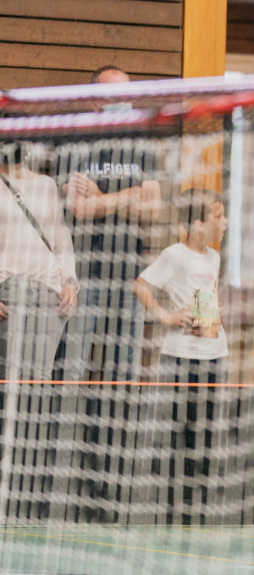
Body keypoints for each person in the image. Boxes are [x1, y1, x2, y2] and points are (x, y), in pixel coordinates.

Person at [58, 64, 162, 381]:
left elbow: (153, 211)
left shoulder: (141, 144)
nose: (123, 101)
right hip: (83, 274)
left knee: (124, 370)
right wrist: (131, 195)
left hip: (129, 275)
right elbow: (79, 209)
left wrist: (101, 196)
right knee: (73, 366)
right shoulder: (76, 142)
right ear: (95, 101)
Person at [133, 189, 229, 524]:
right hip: (181, 357)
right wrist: (165, 316)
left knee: (206, 431)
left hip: (214, 353)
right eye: (218, 216)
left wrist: (214, 314)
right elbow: (141, 285)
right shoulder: (174, 255)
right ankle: (175, 504)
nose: (224, 222)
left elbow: (209, 294)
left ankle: (198, 505)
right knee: (180, 430)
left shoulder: (214, 257)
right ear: (198, 223)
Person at [0, 140, 78, 381]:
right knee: (8, 379)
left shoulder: (47, 185)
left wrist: (69, 282)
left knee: (39, 380)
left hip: (48, 291)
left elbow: (61, 239)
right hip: (7, 290)